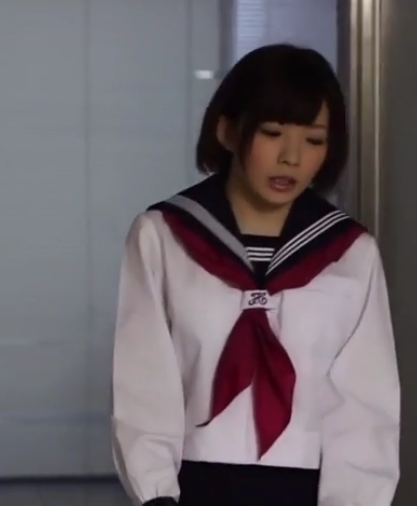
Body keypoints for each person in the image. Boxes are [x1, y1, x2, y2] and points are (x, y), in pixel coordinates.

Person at [110, 43, 401, 506]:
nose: (292, 157)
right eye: (272, 133)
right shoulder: (163, 236)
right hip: (191, 489)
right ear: (227, 130)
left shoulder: (350, 252)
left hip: (310, 491)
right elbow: (144, 385)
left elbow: (364, 406)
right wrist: (156, 494)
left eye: (314, 140)